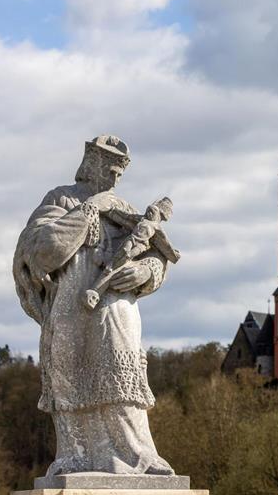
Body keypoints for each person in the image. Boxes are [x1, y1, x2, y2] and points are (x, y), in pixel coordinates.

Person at [13, 135, 174, 476]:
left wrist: (145, 271)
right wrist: (91, 210)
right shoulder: (60, 198)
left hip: (117, 309)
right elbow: (45, 252)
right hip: (71, 309)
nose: (116, 178)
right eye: (111, 168)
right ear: (91, 164)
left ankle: (138, 455)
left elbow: (158, 257)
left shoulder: (127, 211)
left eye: (120, 172)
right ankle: (76, 458)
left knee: (121, 375)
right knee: (70, 380)